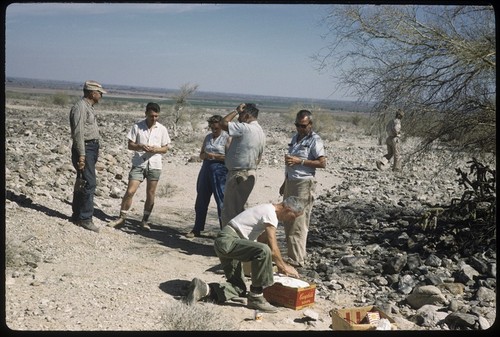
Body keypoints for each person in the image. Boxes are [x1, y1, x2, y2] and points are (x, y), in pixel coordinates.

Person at [185, 196, 304, 313]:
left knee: (238, 288)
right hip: (229, 241)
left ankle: (203, 289)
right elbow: (272, 249)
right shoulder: (270, 213)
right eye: (293, 217)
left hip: (230, 243)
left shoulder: (268, 212)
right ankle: (256, 297)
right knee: (264, 250)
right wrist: (284, 267)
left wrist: (275, 265)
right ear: (288, 210)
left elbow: (262, 242)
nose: (292, 220)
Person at [108, 102, 171, 231]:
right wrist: (141, 146)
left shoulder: (162, 129)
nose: (154, 118)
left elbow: (165, 148)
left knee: (151, 193)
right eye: (151, 116)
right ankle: (122, 218)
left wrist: (156, 149)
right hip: (139, 163)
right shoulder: (137, 127)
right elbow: (130, 145)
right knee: (130, 191)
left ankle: (145, 220)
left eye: (156, 116)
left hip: (155, 164)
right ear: (146, 114)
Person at [279, 109, 326, 267]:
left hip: (303, 185)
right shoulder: (295, 138)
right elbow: (290, 164)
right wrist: (284, 184)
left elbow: (322, 163)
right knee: (287, 219)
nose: (300, 128)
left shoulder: (315, 140)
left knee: (298, 222)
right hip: (291, 182)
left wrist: (300, 161)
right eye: (297, 125)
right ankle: (293, 256)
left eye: (303, 125)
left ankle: (297, 259)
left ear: (310, 124)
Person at [219, 103, 266, 227]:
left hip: (238, 173)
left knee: (229, 211)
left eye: (240, 115)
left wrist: (235, 111)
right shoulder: (260, 131)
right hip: (250, 171)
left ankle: (229, 243)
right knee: (240, 210)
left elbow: (223, 123)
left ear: (247, 115)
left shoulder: (245, 128)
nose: (238, 118)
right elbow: (259, 156)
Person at [69, 80, 107, 233]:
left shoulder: (88, 107)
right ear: (92, 93)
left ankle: (77, 215)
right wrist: (82, 155)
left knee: (83, 181)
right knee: (89, 182)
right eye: (100, 93)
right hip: (85, 148)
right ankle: (85, 218)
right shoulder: (80, 108)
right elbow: (78, 133)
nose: (101, 96)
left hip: (91, 148)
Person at [186, 115, 232, 238]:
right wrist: (205, 156)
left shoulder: (227, 138)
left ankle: (225, 231)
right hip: (206, 168)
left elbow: (230, 158)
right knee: (201, 199)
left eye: (216, 128)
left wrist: (215, 156)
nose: (214, 130)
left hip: (220, 170)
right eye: (212, 128)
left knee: (221, 201)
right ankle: (197, 228)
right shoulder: (208, 138)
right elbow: (201, 154)